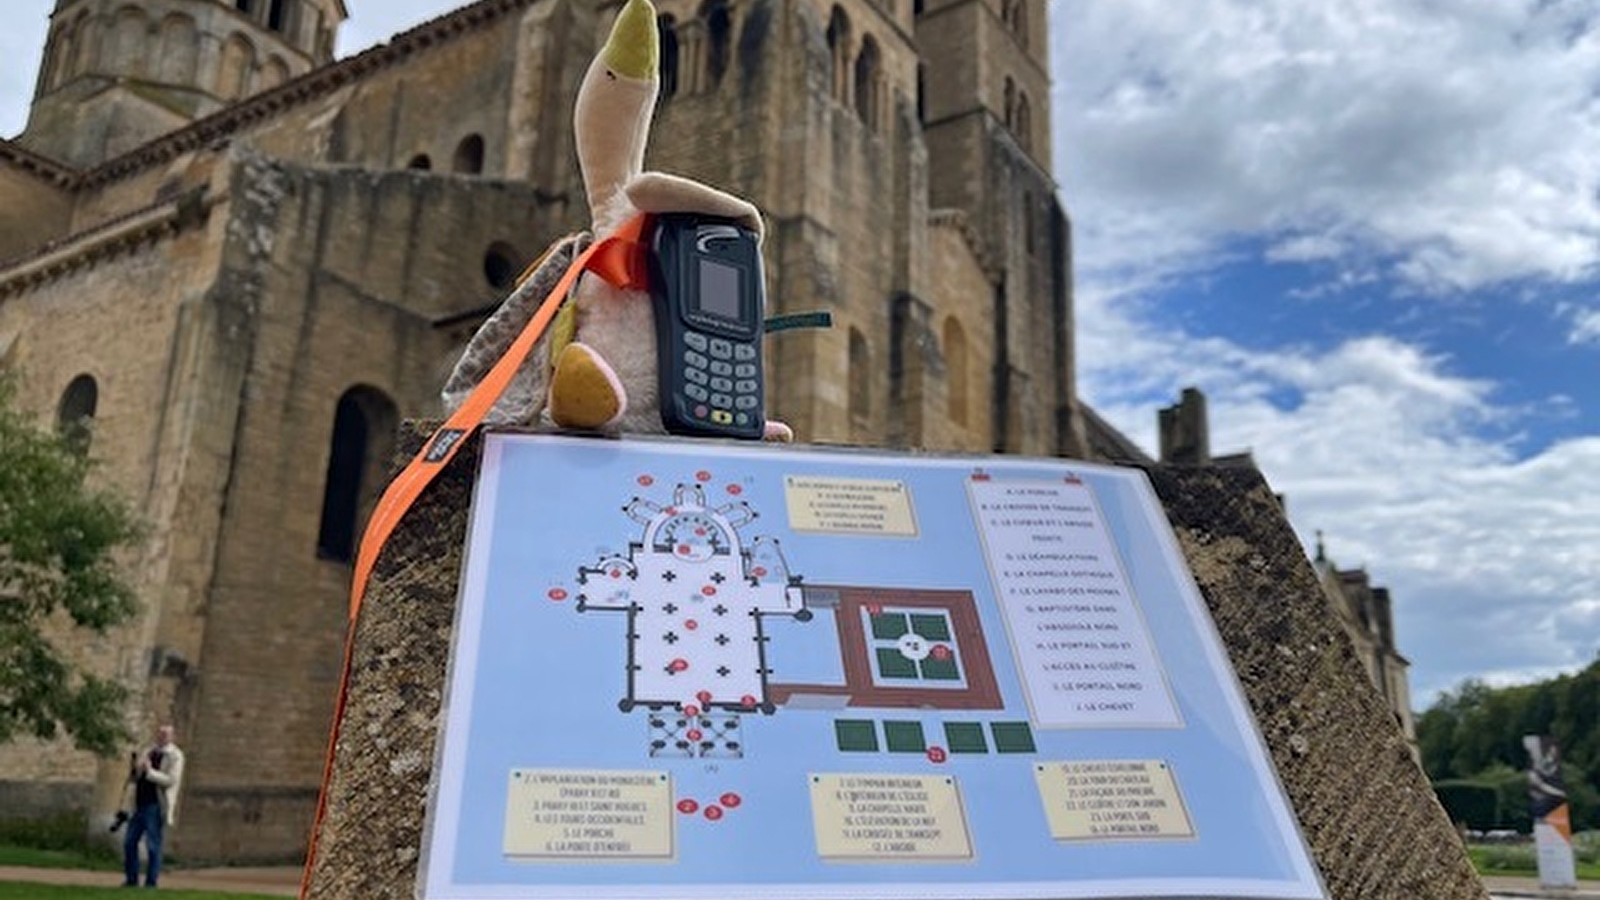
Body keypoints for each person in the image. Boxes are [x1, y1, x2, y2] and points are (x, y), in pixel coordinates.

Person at [122, 724, 184, 888]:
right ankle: (131, 879)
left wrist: (150, 772)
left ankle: (151, 882)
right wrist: (137, 767)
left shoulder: (175, 756)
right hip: (139, 803)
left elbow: (170, 780)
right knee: (129, 842)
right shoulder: (149, 751)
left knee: (153, 845)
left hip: (156, 804)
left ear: (172, 736)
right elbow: (136, 776)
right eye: (160, 733)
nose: (162, 737)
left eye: (166, 734)